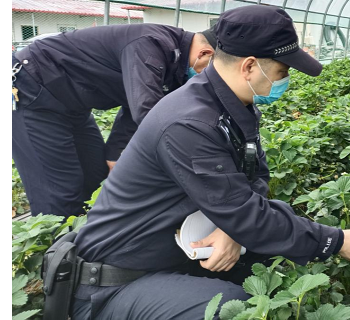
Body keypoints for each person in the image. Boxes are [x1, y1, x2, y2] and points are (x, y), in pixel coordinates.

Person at [69, 5, 350, 320]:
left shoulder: (233, 108)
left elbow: (255, 176)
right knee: (233, 310)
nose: (286, 81)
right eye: (282, 72)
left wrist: (230, 227)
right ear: (249, 67)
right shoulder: (188, 123)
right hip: (115, 282)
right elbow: (249, 214)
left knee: (261, 260)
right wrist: (336, 241)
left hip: (171, 254)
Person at [12, 24, 217, 218]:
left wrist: (115, 153)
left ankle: (86, 236)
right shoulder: (149, 45)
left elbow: (132, 105)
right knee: (59, 191)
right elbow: (147, 112)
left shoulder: (176, 62)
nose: (204, 77)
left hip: (73, 105)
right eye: (211, 70)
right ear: (206, 53)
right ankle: (57, 249)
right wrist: (186, 160)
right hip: (33, 90)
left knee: (96, 176)